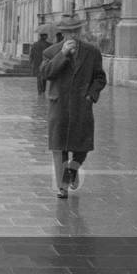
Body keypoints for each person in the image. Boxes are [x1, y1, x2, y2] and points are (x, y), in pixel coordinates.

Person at [40, 19, 107, 199]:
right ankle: (62, 187)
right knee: (59, 147)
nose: (73, 36)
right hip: (59, 106)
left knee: (82, 145)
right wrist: (62, 55)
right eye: (69, 32)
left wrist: (91, 95)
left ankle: (73, 168)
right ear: (62, 33)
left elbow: (100, 78)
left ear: (80, 31)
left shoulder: (92, 52)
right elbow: (45, 74)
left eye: (76, 31)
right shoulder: (50, 52)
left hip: (81, 105)